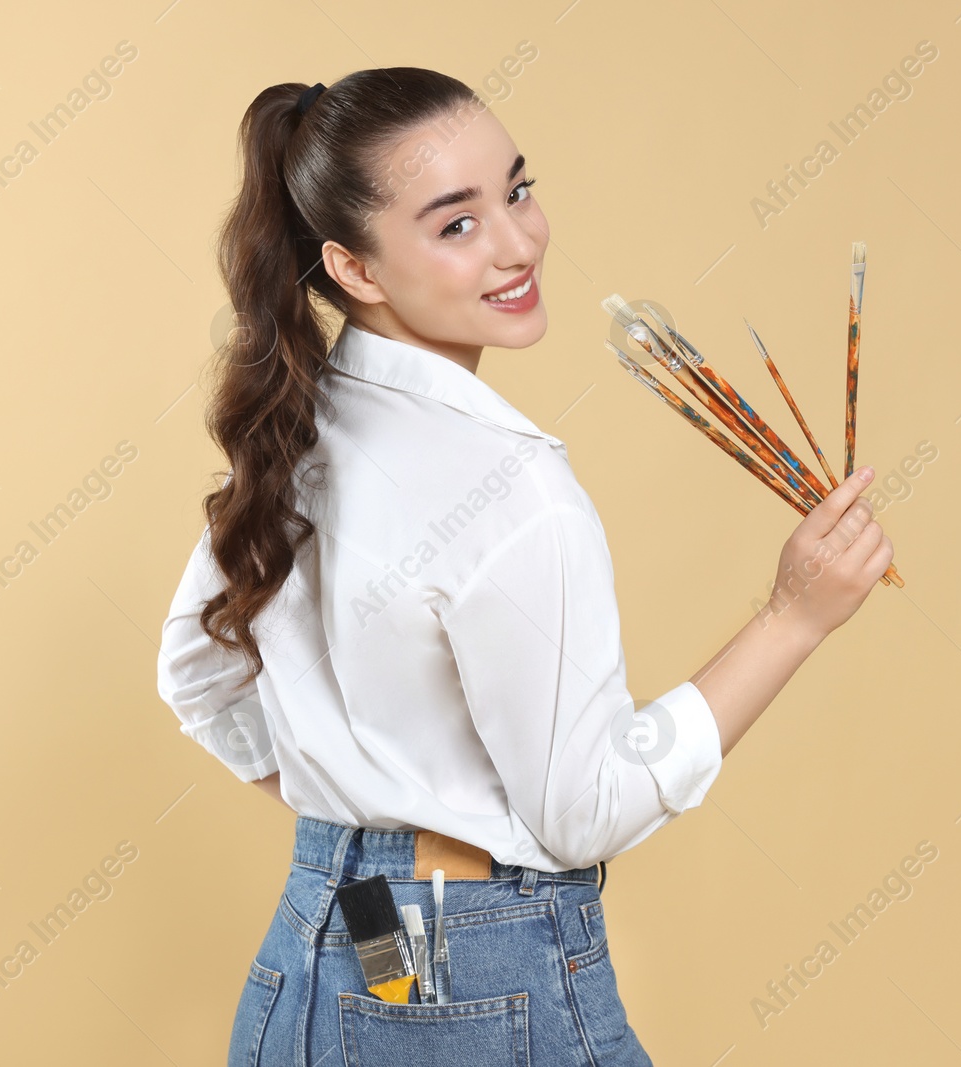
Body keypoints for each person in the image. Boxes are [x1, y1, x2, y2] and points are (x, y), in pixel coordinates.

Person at [158, 67, 893, 1067]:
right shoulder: (512, 490)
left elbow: (194, 675)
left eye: (517, 188)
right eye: (454, 224)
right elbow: (582, 810)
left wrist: (365, 807)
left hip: (325, 932)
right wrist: (792, 616)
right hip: (472, 965)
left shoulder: (294, 423)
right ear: (356, 268)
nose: (516, 243)